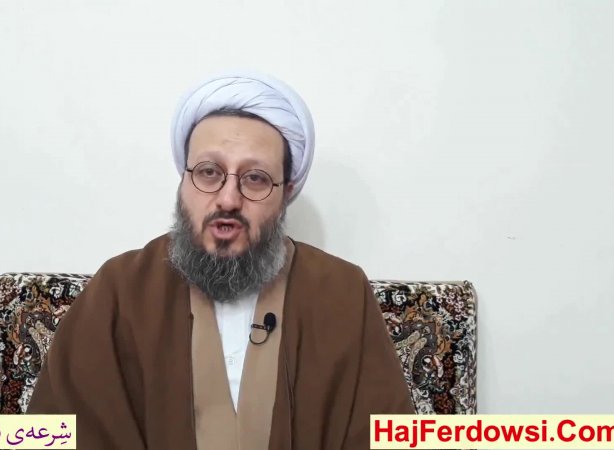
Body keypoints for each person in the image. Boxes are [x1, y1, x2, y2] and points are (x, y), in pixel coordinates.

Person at [26, 71, 414, 449]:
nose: (228, 199)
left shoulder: (343, 292)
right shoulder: (120, 288)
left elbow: (395, 434)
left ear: (286, 193)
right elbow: (46, 435)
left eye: (255, 178)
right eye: (209, 172)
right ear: (184, 182)